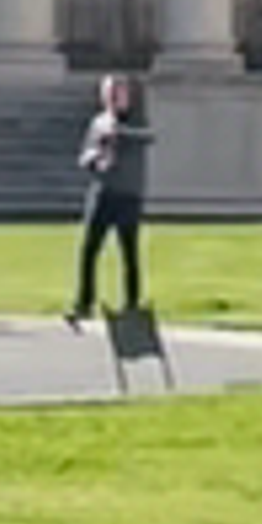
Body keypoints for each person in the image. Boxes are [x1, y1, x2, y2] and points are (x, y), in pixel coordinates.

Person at [69, 71, 152, 331]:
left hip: (128, 195)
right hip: (103, 193)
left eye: (119, 93)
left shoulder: (138, 122)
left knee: (129, 252)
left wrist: (120, 134)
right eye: (109, 94)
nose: (114, 99)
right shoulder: (99, 123)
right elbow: (85, 155)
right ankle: (84, 302)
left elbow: (148, 137)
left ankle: (131, 303)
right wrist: (95, 157)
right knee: (89, 249)